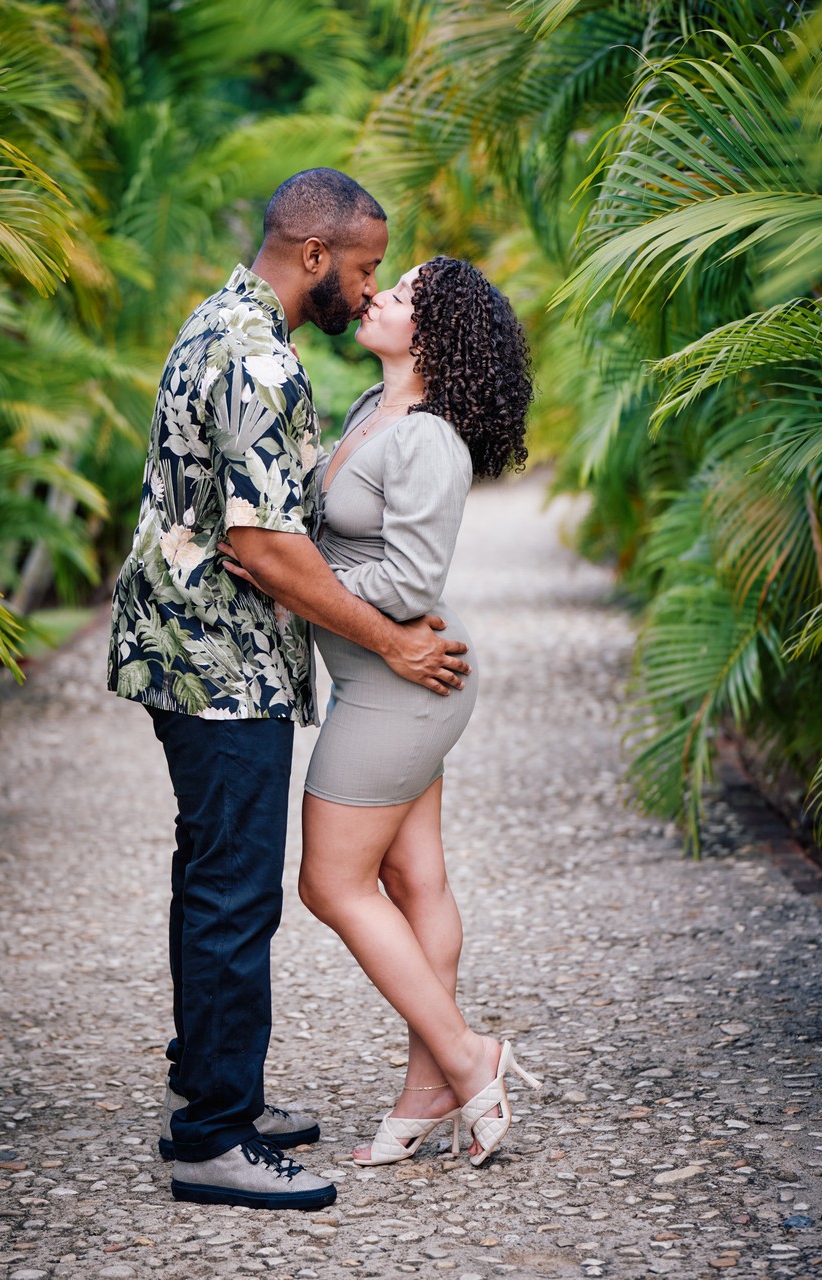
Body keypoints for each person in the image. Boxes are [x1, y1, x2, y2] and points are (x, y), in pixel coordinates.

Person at [107, 169, 472, 1212]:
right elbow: (267, 548)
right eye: (362, 267)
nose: (366, 289)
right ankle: (213, 1139)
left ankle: (209, 1090)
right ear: (314, 255)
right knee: (235, 890)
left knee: (208, 875)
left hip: (189, 651)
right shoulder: (260, 358)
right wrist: (394, 646)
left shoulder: (225, 320)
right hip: (219, 664)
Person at [222, 256, 539, 1167]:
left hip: (406, 683)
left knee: (330, 885)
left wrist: (291, 583)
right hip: (379, 677)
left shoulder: (429, 439)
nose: (376, 296)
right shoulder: (373, 408)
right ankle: (428, 1091)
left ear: (432, 337)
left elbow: (410, 581)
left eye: (399, 295)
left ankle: (468, 1056)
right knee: (413, 880)